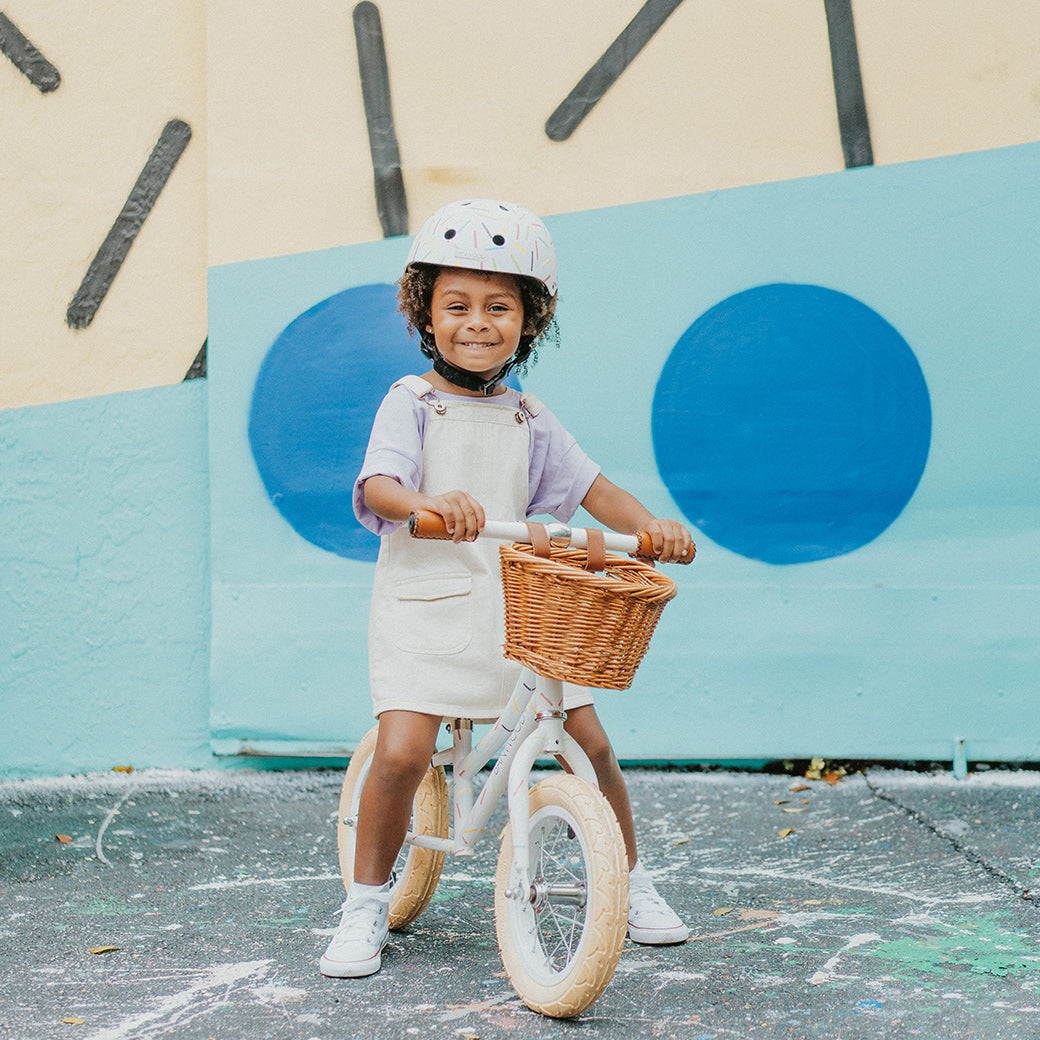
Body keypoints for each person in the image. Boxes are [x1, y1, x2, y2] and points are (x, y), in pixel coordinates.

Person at [320, 199, 695, 979]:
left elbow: (595, 490)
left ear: (531, 320)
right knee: (402, 750)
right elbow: (380, 487)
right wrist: (425, 504)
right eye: (457, 306)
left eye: (500, 308)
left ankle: (629, 878)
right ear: (427, 312)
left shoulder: (531, 416)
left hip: (518, 610)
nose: (478, 324)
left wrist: (653, 526)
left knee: (591, 746)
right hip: (426, 612)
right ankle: (364, 901)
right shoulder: (411, 401)